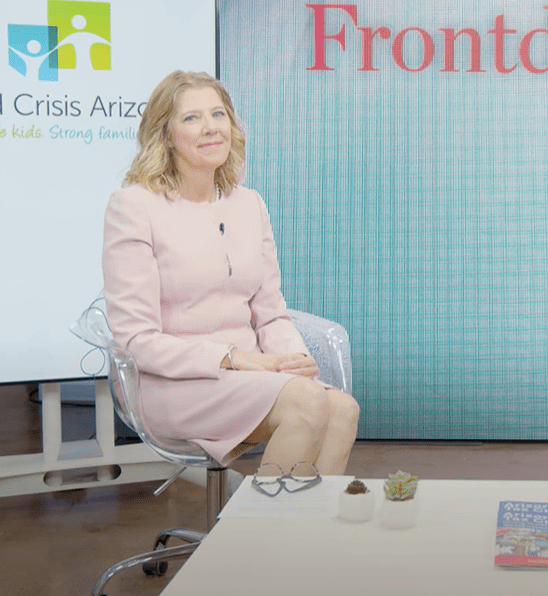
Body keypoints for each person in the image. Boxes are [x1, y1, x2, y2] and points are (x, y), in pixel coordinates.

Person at [103, 70, 359, 477]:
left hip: (248, 377)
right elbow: (135, 341)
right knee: (307, 403)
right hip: (172, 384)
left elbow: (271, 314)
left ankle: (306, 521)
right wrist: (236, 359)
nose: (210, 128)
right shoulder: (134, 207)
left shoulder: (249, 204)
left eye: (218, 114)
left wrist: (294, 360)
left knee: (343, 409)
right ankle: (264, 520)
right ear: (166, 135)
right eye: (191, 118)